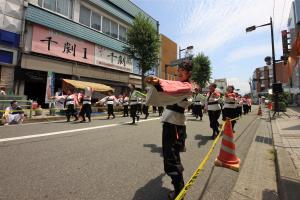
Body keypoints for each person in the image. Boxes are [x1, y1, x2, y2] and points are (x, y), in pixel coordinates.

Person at [145, 61, 193, 199]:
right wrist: (158, 83)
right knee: (172, 157)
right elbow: (170, 88)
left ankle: (179, 191)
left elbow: (171, 89)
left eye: (182, 70)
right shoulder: (182, 85)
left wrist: (158, 83)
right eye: (179, 70)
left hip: (174, 125)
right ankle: (179, 188)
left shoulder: (186, 86)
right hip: (172, 123)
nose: (179, 72)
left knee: (171, 159)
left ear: (189, 73)